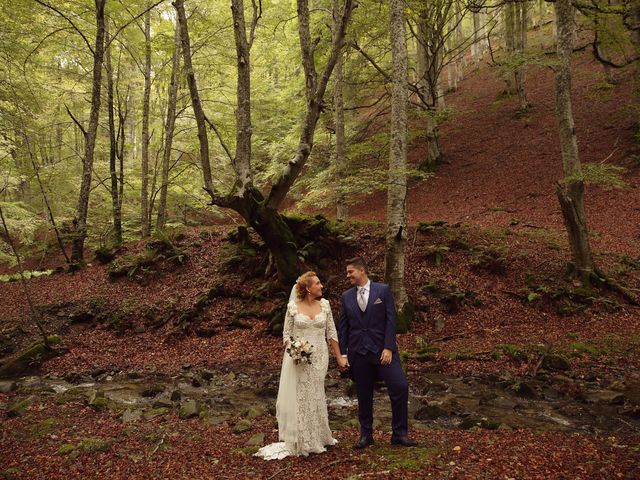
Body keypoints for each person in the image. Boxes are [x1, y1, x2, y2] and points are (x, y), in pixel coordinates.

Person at [255, 271, 348, 460]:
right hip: (300, 358)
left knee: (316, 393)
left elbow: (332, 334)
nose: (321, 286)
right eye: (318, 283)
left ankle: (319, 436)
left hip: (320, 357)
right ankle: (302, 439)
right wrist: (295, 349)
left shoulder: (325, 305)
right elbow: (286, 335)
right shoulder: (293, 308)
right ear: (307, 288)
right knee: (302, 396)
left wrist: (339, 357)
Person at [338, 257, 416, 449]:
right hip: (358, 353)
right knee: (364, 395)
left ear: (362, 270)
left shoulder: (383, 290)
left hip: (383, 351)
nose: (348, 275)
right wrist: (344, 354)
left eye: (350, 272)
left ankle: (399, 434)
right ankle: (366, 435)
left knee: (399, 386)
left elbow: (391, 320)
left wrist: (388, 347)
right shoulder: (346, 296)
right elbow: (343, 328)